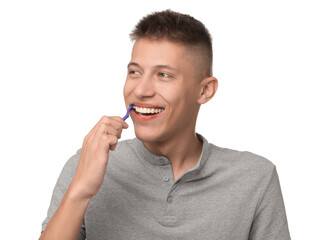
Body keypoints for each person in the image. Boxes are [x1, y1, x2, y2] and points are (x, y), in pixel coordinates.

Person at [39, 10, 291, 240]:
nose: (140, 90)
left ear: (205, 90)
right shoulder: (86, 164)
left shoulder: (256, 177)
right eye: (135, 72)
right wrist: (80, 190)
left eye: (164, 75)